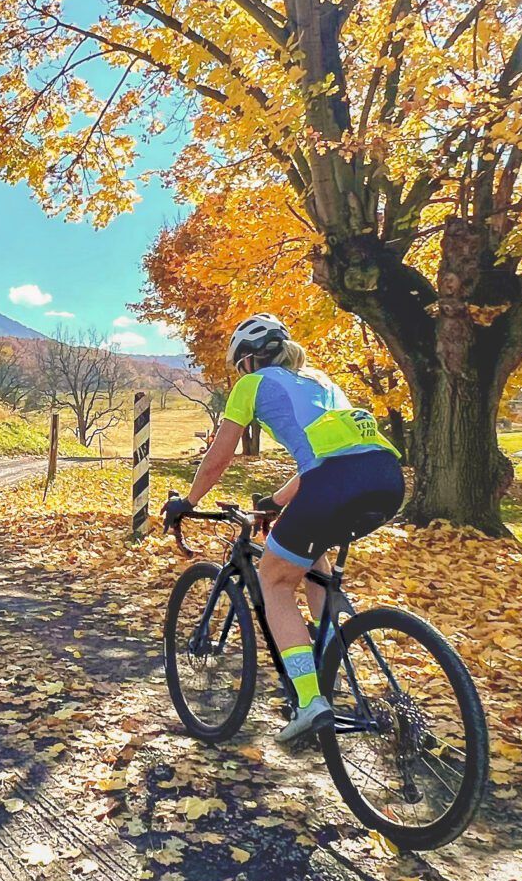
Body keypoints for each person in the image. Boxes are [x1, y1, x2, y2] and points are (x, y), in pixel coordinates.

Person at [162, 315, 404, 748]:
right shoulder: (321, 381)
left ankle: (311, 700)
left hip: (334, 483)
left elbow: (220, 454)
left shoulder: (252, 385)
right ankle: (331, 660)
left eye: (240, 367)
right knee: (314, 567)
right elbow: (324, 458)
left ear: (249, 359)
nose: (241, 374)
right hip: (385, 477)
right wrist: (275, 503)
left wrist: (190, 501)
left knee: (273, 579)